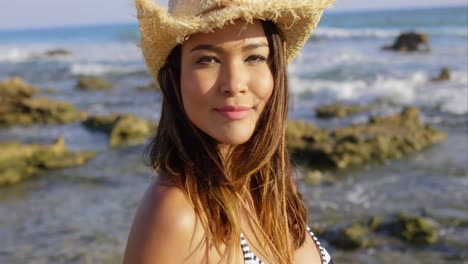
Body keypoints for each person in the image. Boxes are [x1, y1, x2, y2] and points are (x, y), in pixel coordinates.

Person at [124, 0, 334, 263]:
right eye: (207, 60)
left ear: (275, 70)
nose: (234, 84)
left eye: (254, 57)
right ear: (175, 77)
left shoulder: (270, 188)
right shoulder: (176, 214)